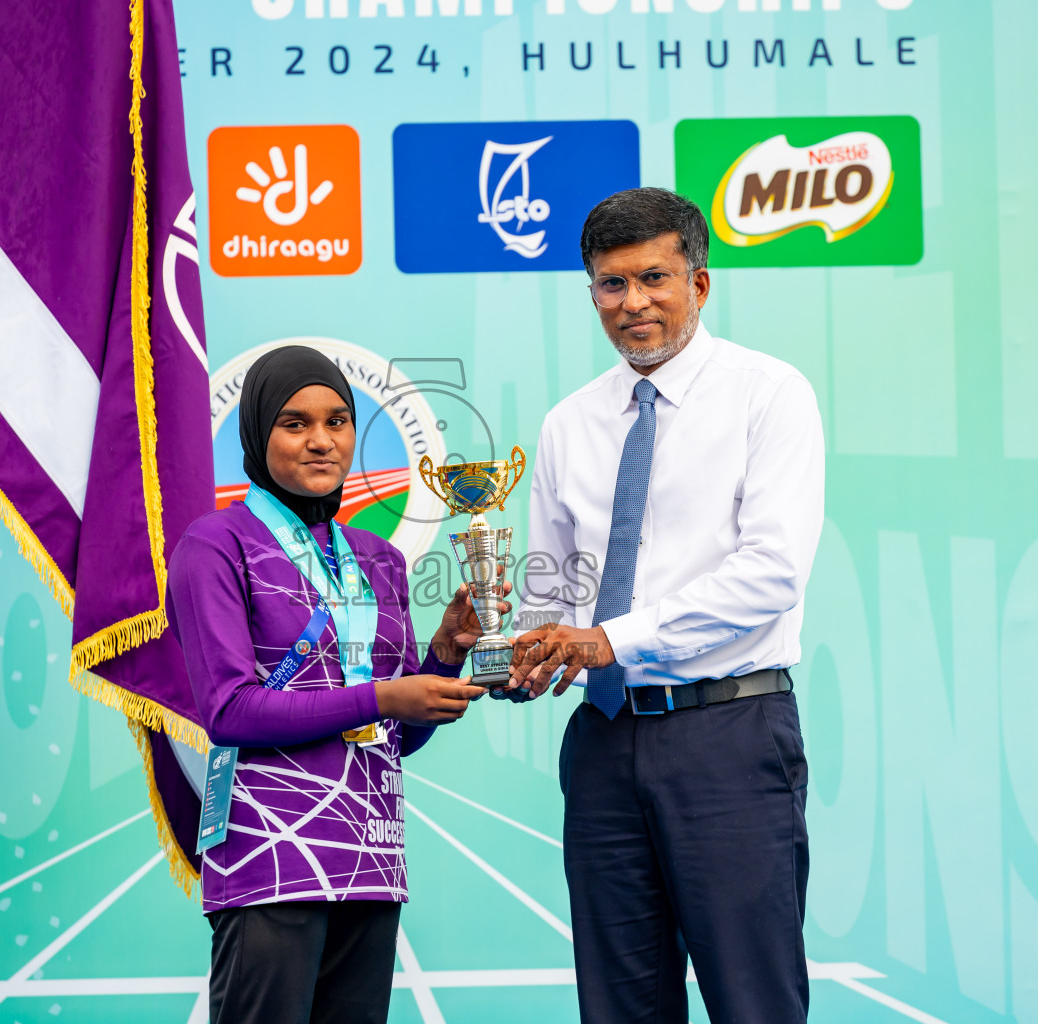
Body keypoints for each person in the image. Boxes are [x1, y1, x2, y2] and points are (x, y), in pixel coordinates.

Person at [508, 188, 825, 1024]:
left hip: (729, 737)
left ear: (701, 282)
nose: (633, 303)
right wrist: (513, 649)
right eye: (611, 285)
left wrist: (609, 639)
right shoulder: (567, 424)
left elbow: (772, 571)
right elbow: (554, 593)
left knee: (753, 1002)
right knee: (619, 1007)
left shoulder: (769, 394)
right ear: (591, 294)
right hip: (605, 746)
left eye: (655, 278)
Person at [164, 345, 502, 1024]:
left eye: (338, 420)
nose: (321, 441)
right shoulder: (216, 545)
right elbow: (229, 711)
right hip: (269, 855)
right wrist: (383, 695)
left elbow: (395, 737)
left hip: (371, 855)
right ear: (257, 436)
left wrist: (441, 656)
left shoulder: (377, 558)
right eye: (294, 424)